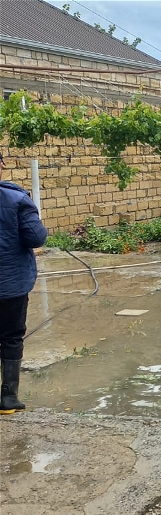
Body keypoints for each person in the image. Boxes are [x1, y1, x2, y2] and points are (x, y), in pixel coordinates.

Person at [0, 151, 48, 415]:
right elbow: (35, 238)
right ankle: (8, 399)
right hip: (10, 286)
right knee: (11, 337)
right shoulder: (16, 199)